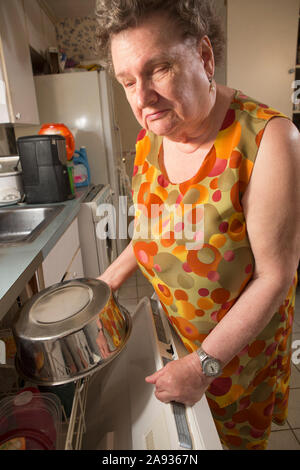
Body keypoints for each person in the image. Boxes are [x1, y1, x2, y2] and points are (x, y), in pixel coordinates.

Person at [95, 0, 300, 450]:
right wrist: (99, 289)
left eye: (158, 69)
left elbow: (276, 276)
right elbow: (152, 230)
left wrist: (204, 364)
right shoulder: (151, 137)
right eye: (127, 81)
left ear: (205, 57)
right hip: (173, 340)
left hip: (235, 361)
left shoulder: (268, 139)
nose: (141, 97)